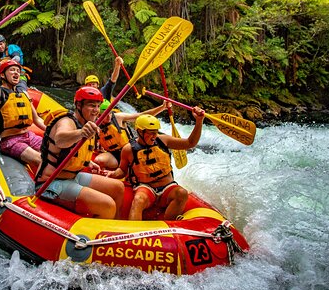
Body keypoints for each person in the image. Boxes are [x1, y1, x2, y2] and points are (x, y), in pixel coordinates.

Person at [34, 86, 125, 219]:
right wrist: (81, 133)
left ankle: (114, 228)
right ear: (78, 105)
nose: (96, 110)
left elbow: (73, 153)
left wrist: (89, 162)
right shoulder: (66, 121)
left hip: (72, 176)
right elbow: (60, 139)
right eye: (91, 105)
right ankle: (101, 236)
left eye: (98, 106)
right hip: (50, 183)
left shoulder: (86, 123)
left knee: (118, 187)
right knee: (107, 204)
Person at [108, 109, 205, 221]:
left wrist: (199, 121)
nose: (154, 136)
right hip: (146, 188)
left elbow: (190, 143)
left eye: (156, 132)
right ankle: (134, 232)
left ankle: (168, 226)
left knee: (182, 193)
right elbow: (122, 170)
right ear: (140, 131)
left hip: (167, 187)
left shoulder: (163, 140)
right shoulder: (128, 149)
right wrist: (113, 174)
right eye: (151, 133)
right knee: (139, 199)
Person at [95, 99, 171, 170]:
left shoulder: (119, 117)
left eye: (110, 113)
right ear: (98, 115)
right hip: (114, 155)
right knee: (99, 161)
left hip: (131, 152)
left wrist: (162, 107)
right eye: (105, 115)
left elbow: (141, 116)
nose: (109, 117)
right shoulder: (95, 125)